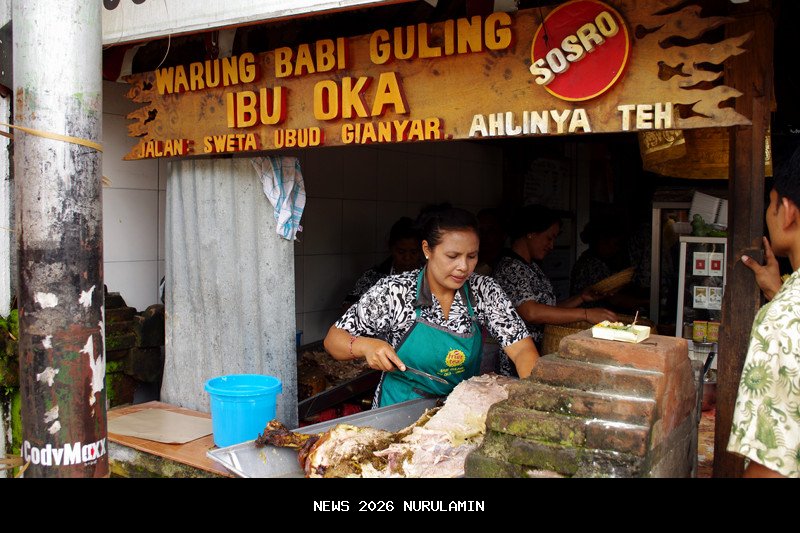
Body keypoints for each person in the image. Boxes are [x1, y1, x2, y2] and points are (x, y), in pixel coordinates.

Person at [324, 206, 539, 408]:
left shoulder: (484, 291)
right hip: (399, 409)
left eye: (472, 256)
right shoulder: (395, 291)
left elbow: (522, 350)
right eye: (452, 256)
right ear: (427, 249)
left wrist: (533, 399)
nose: (463, 267)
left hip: (458, 410)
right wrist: (365, 346)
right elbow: (334, 340)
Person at [728, 146, 800, 478]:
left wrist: (780, 302)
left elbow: (771, 466)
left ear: (788, 211)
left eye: (771, 205)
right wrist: (777, 291)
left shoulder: (783, 319)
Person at [492, 204, 617, 376]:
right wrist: (585, 314)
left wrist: (581, 298)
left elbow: (548, 309)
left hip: (536, 352)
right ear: (531, 233)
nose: (552, 245)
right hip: (518, 357)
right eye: (549, 238)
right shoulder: (510, 268)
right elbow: (531, 312)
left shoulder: (532, 267)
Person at [342, 216, 422, 310]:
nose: (407, 258)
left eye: (413, 252)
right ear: (391, 248)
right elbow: (347, 308)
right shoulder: (374, 276)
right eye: (401, 252)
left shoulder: (429, 276)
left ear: (422, 249)